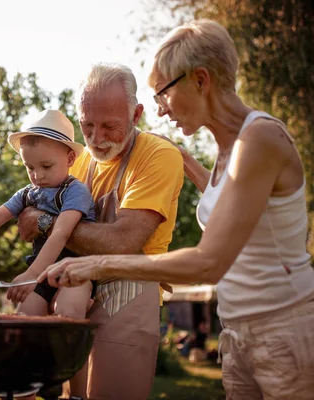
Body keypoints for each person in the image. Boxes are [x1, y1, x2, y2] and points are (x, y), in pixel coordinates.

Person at [42, 19, 314, 400]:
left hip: (281, 327)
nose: (161, 110)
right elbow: (232, 200)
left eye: (163, 94)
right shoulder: (227, 153)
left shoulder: (261, 139)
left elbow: (209, 263)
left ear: (200, 81)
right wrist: (183, 159)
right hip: (237, 332)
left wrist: (99, 264)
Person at [17, 64, 184, 399]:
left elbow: (123, 242)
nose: (95, 138)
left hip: (130, 288)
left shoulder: (158, 156)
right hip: (75, 281)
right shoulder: (75, 160)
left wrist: (52, 225)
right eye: (87, 125)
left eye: (109, 126)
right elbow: (24, 221)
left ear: (136, 114)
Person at [0, 109, 96, 319]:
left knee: (68, 313)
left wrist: (32, 274)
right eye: (29, 167)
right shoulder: (28, 194)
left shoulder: (76, 192)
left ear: (70, 158)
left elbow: (60, 234)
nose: (37, 175)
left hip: (74, 271)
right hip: (40, 276)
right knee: (27, 318)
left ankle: (82, 302)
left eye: (46, 166)